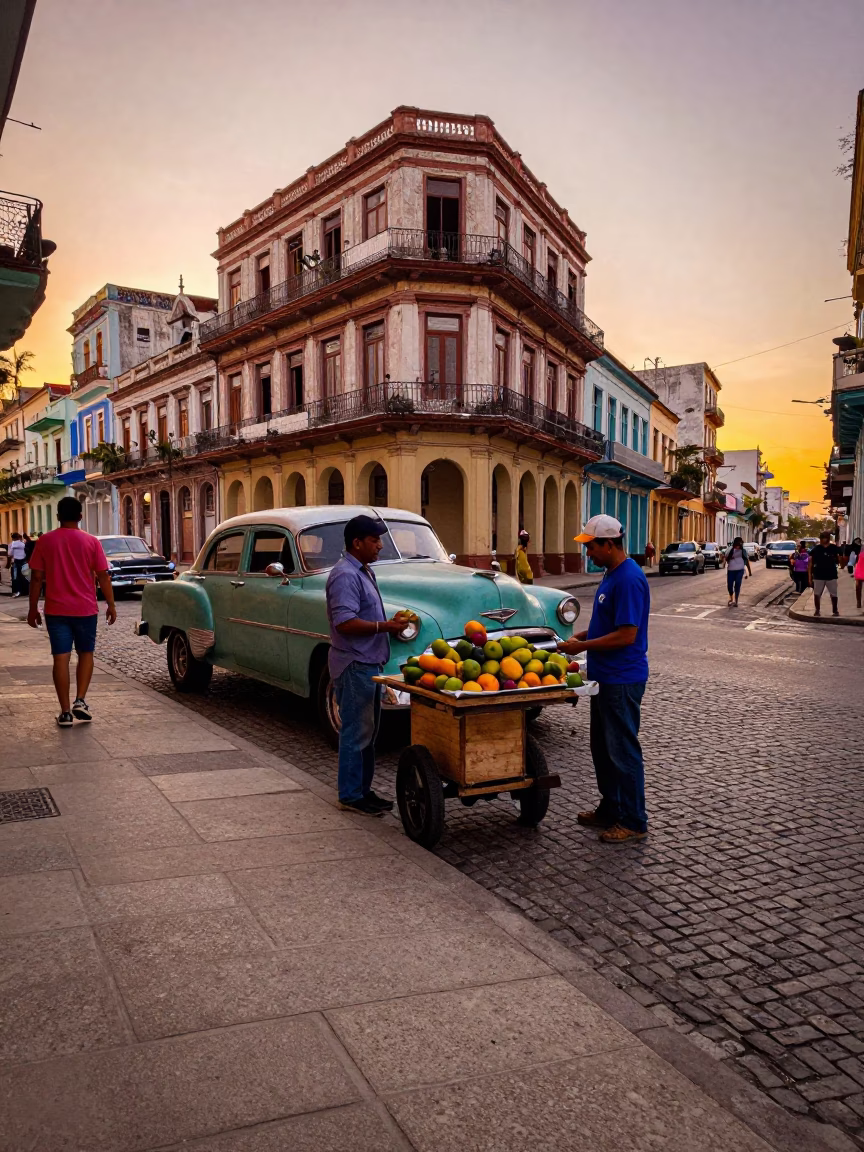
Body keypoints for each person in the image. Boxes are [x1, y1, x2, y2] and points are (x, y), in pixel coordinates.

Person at [557, 514, 650, 844]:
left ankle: (634, 821)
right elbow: (610, 625)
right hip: (604, 678)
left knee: (622, 750)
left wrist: (581, 645)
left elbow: (626, 635)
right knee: (603, 748)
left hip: (621, 679)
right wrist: (585, 634)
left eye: (592, 546)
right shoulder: (612, 574)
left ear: (610, 544)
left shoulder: (628, 579)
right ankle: (611, 808)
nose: (588, 553)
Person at [325, 514, 407, 816]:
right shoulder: (345, 575)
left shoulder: (363, 571)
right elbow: (345, 622)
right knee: (356, 733)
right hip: (354, 663)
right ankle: (349, 795)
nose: (380, 546)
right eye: (374, 540)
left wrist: (390, 625)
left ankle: (362, 791)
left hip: (367, 662)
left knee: (368, 734)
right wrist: (385, 627)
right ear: (357, 543)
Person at [26, 496, 117, 727]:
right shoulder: (91, 542)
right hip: (86, 609)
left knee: (61, 658)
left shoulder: (45, 541)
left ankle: (65, 712)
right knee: (86, 653)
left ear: (58, 517)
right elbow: (103, 575)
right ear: (80, 516)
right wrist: (111, 604)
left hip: (56, 610)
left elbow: (36, 577)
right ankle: (80, 701)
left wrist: (32, 608)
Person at [809, 531, 841, 618]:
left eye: (825, 537)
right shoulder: (816, 549)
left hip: (831, 575)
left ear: (828, 538)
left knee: (833, 594)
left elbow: (839, 558)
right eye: (822, 537)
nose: (824, 539)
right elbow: (810, 563)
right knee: (817, 594)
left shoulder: (834, 548)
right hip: (818, 575)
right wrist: (809, 577)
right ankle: (817, 610)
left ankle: (835, 610)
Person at [724, 536, 751, 607]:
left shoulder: (743, 551)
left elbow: (746, 561)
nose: (737, 547)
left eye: (739, 545)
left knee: (737, 585)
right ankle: (731, 597)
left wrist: (748, 572)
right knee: (729, 585)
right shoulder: (730, 550)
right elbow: (725, 557)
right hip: (731, 570)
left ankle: (736, 601)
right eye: (737, 545)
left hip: (740, 570)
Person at [6, 532, 28, 597]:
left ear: (13, 538)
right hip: (24, 561)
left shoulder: (11, 545)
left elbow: (9, 554)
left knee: (15, 577)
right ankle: (25, 591)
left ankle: (17, 591)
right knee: (24, 576)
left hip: (16, 562)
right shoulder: (23, 544)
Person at [855, 547, 864, 611]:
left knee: (858, 587)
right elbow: (857, 559)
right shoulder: (861, 547)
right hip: (860, 568)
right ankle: (858, 602)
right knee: (858, 587)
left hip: (860, 568)